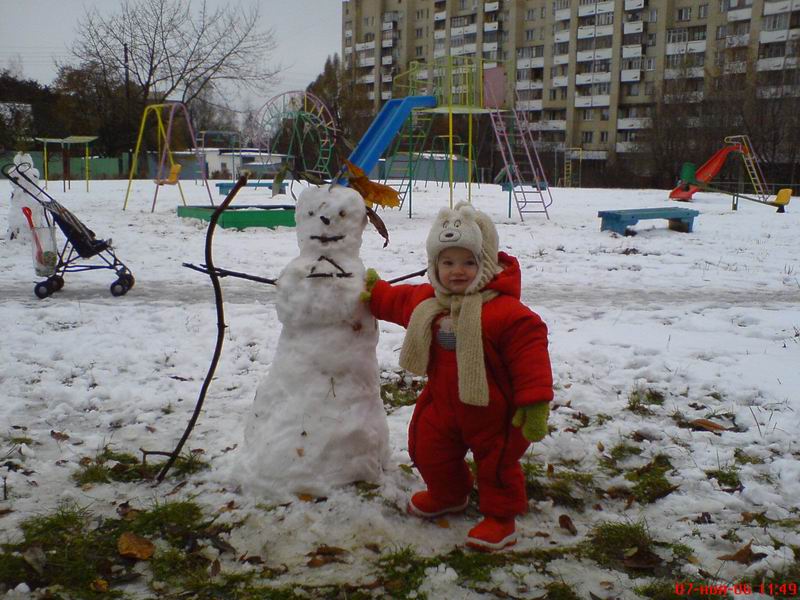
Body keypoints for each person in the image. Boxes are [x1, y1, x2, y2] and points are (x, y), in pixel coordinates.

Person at [363, 201, 553, 551]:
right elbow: (398, 301)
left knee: (497, 465)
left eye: (469, 262)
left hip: (493, 411)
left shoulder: (505, 312)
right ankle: (449, 494)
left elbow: (530, 353)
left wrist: (535, 402)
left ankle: (501, 517)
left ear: (488, 263)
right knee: (428, 448)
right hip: (443, 403)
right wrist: (375, 292)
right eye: (447, 262)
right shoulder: (429, 303)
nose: (457, 271)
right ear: (435, 266)